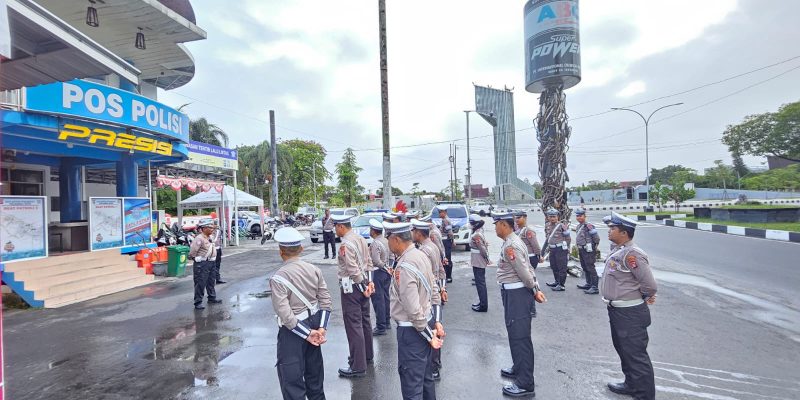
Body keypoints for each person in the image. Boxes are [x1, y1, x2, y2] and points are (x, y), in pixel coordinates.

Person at [269, 227, 333, 400]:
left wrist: (307, 334)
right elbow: (326, 302)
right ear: (301, 249)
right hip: (314, 326)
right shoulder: (314, 270)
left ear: (281, 252)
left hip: (293, 332)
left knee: (292, 384)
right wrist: (321, 329)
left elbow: (285, 314)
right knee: (315, 379)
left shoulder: (278, 277)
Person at [601, 212, 658, 400]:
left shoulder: (632, 254)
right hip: (618, 310)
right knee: (624, 350)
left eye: (613, 228)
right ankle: (631, 384)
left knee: (636, 356)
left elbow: (650, 285)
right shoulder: (618, 250)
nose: (609, 231)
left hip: (630, 313)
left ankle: (644, 396)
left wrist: (644, 296)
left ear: (624, 233)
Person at [384, 221, 443, 400]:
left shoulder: (404, 266)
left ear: (395, 239)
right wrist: (437, 321)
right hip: (427, 323)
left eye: (388, 239)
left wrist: (429, 336)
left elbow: (412, 308)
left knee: (412, 385)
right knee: (425, 379)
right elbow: (434, 289)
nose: (387, 243)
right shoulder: (420, 254)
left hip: (413, 330)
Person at [492, 212, 546, 398]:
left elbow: (524, 271)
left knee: (520, 337)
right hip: (514, 293)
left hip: (517, 295)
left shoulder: (511, 245)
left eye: (496, 224)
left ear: (504, 225)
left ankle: (525, 384)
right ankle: (518, 368)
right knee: (515, 334)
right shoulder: (512, 241)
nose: (495, 228)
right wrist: (535, 288)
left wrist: (533, 288)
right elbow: (528, 267)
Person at [333, 213, 374, 378]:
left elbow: (352, 269)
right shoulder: (361, 239)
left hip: (352, 287)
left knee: (353, 325)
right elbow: (368, 263)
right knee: (365, 322)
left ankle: (358, 366)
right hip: (363, 285)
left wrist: (363, 286)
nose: (335, 229)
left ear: (341, 226)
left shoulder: (345, 244)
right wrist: (369, 283)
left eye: (336, 226)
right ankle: (367, 356)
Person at [411, 219, 446, 381]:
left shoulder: (424, 250)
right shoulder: (432, 246)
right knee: (436, 327)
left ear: (419, 233)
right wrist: (443, 287)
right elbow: (441, 270)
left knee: (430, 329)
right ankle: (435, 365)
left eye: (414, 231)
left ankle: (433, 367)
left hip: (428, 291)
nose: (412, 234)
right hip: (435, 288)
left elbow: (427, 275)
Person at [189, 219, 221, 310]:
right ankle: (198, 302)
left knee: (211, 281)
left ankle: (212, 297)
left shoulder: (209, 238)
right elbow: (192, 252)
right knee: (200, 283)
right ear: (204, 228)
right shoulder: (199, 239)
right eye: (210, 227)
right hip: (202, 263)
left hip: (211, 262)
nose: (212, 229)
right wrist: (195, 258)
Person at [368, 219, 392, 337]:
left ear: (373, 231)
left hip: (378, 273)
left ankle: (381, 326)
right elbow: (392, 256)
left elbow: (376, 261)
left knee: (378, 300)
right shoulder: (386, 241)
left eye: (370, 229)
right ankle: (387, 321)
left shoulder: (375, 243)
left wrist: (384, 266)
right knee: (386, 298)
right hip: (386, 273)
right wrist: (389, 268)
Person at [543, 208, 571, 292]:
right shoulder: (547, 225)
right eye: (550, 216)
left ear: (557, 217)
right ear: (548, 217)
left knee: (561, 267)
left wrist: (567, 248)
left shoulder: (561, 226)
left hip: (560, 249)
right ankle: (557, 281)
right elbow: (548, 237)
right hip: (552, 249)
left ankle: (561, 285)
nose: (552, 218)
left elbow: (568, 238)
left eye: (554, 216)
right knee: (554, 266)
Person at [575, 208, 601, 294]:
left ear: (585, 216)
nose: (579, 217)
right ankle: (588, 283)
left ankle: (595, 287)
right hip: (581, 249)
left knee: (590, 267)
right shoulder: (578, 226)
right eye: (577, 216)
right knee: (585, 267)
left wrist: (594, 247)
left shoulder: (589, 226)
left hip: (588, 250)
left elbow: (596, 238)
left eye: (580, 216)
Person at [468, 214, 490, 312]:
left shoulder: (477, 234)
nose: (469, 225)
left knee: (480, 283)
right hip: (476, 259)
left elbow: (482, 249)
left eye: (471, 223)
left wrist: (487, 259)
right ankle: (482, 303)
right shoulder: (477, 232)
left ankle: (483, 305)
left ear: (475, 224)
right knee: (479, 283)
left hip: (478, 260)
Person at [438, 207, 454, 283]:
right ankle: (447, 276)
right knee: (445, 258)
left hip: (446, 241)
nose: (439, 214)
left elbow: (450, 232)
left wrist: (452, 241)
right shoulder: (444, 220)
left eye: (440, 212)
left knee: (447, 258)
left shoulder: (446, 220)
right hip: (445, 240)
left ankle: (449, 276)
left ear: (444, 212)